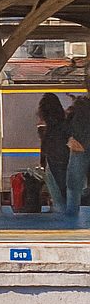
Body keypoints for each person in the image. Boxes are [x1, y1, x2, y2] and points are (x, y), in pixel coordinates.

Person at [37, 94, 70, 212]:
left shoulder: (49, 129)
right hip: (65, 162)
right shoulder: (65, 124)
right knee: (65, 194)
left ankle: (60, 211)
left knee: (58, 196)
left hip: (54, 162)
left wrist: (43, 164)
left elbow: (46, 149)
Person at [65, 93, 90, 224]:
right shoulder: (80, 105)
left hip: (79, 145)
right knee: (74, 184)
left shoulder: (80, 105)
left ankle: (71, 220)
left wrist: (71, 139)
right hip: (79, 145)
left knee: (74, 185)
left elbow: (67, 124)